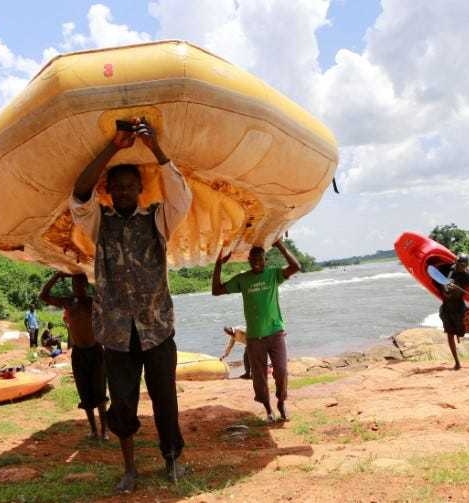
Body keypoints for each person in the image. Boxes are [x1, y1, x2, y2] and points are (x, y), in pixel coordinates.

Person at [70, 117, 192, 491]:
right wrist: (115, 146)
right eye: (117, 187)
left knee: (164, 398)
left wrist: (154, 147)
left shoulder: (158, 219)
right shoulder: (98, 222)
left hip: (156, 328)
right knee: (121, 404)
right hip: (116, 333)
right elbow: (79, 193)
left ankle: (173, 461)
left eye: (129, 186)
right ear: (109, 191)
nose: (123, 192)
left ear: (140, 187)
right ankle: (129, 469)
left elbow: (181, 196)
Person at [212, 241, 300, 422]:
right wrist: (219, 264)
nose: (256, 263)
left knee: (281, 371)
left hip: (276, 334)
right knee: (258, 377)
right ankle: (268, 409)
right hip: (254, 338)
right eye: (253, 260)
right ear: (249, 261)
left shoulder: (273, 274)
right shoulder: (243, 279)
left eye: (259, 259)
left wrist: (280, 245)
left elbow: (296, 267)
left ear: (265, 260)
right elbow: (216, 290)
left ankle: (281, 402)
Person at [40, 271, 108, 441]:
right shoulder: (68, 302)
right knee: (85, 393)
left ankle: (104, 431)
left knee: (100, 392)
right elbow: (44, 295)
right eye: (74, 285)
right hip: (79, 352)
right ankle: (93, 429)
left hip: (95, 350)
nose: (76, 288)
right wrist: (56, 276)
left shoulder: (93, 302)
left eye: (80, 284)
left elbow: (108, 298)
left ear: (86, 286)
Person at [436, 253, 469, 370]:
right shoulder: (449, 271)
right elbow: (441, 286)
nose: (458, 266)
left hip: (461, 307)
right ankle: (457, 363)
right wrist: (446, 288)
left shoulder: (468, 275)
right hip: (447, 307)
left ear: (465, 265)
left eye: (461, 264)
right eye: (457, 263)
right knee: (450, 335)